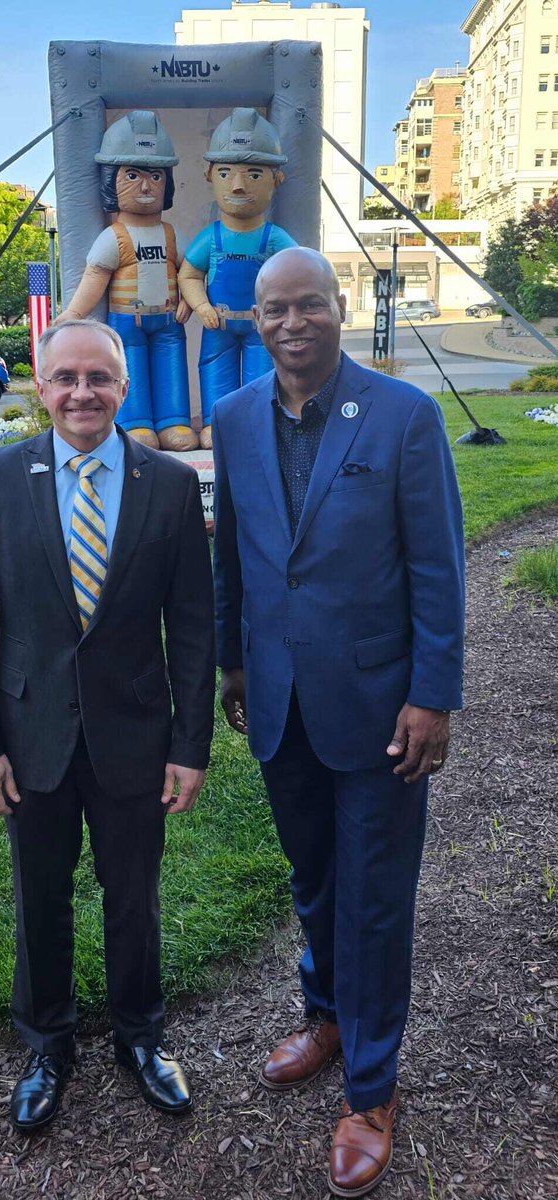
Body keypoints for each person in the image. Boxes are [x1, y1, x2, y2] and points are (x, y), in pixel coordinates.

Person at [212, 248, 465, 1197]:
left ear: (339, 306)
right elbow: (234, 553)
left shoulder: (404, 415)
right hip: (279, 702)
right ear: (255, 318)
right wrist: (236, 662)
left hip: (380, 709)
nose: (292, 323)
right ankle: (323, 1018)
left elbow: (437, 567)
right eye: (274, 309)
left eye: (309, 305)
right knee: (313, 880)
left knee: (372, 898)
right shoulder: (235, 418)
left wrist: (433, 693)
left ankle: (371, 1088)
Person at [0, 318, 215, 1131]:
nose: (81, 393)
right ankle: (48, 1044)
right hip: (31, 739)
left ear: (123, 387)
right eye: (65, 377)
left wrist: (189, 745)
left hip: (134, 732)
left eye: (99, 378)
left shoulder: (167, 483)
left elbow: (194, 629)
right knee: (41, 897)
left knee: (132, 894)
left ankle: (140, 1035)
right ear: (41, 382)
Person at [58, 111, 199, 451]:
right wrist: (74, 313)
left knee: (172, 368)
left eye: (155, 175)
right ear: (111, 181)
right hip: (126, 321)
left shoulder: (170, 234)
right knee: (129, 369)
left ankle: (173, 421)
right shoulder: (114, 236)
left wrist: (187, 300)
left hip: (167, 320)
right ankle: (135, 423)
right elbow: (96, 276)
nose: (146, 186)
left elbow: (190, 271)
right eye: (132, 175)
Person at [179, 107, 297, 449]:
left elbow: (299, 272)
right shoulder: (211, 237)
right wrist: (201, 306)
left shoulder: (275, 238)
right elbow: (189, 274)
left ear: (277, 179)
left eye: (255, 175)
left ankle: (260, 424)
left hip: (263, 326)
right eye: (227, 173)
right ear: (209, 175)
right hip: (218, 324)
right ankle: (218, 425)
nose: (240, 186)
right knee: (215, 372)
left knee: (264, 375)